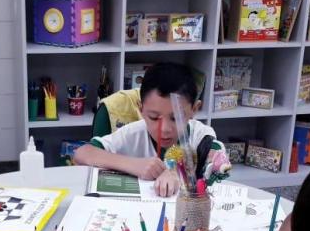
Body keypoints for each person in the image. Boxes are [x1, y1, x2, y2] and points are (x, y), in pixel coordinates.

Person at [74, 62, 223, 197]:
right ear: (141, 109)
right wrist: (134, 164)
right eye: (153, 117)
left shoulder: (200, 136)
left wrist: (177, 172)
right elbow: (82, 153)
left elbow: (218, 163)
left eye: (176, 118)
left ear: (194, 109)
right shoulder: (132, 134)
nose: (164, 129)